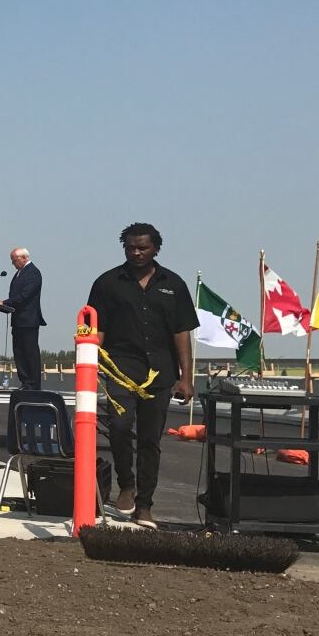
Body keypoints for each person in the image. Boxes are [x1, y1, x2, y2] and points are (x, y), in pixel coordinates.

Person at [87, 222, 198, 529]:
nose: (136, 253)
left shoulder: (173, 284)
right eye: (131, 248)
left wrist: (185, 378)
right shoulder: (108, 283)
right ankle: (126, 484)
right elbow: (97, 331)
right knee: (120, 427)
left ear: (155, 249)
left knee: (150, 440)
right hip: (121, 368)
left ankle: (145, 505)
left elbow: (182, 334)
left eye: (142, 248)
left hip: (161, 372)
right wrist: (89, 362)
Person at [2, 247, 46, 390]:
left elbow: (25, 296)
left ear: (23, 258)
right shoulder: (19, 274)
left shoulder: (33, 273)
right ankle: (25, 382)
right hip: (18, 320)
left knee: (29, 352)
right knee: (19, 353)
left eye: (14, 260)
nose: (13, 264)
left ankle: (33, 384)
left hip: (28, 320)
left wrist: (4, 303)